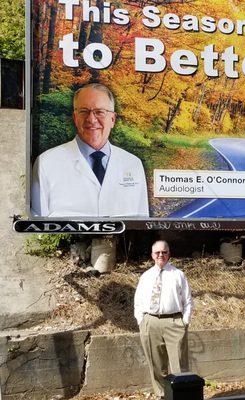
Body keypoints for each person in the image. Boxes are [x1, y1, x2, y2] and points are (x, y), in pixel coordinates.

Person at [31, 83, 149, 217]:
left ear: (112, 119)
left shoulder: (133, 164)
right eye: (84, 111)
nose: (91, 119)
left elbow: (142, 221)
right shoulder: (46, 163)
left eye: (99, 112)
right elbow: (36, 226)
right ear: (75, 118)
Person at [134, 240, 193, 398]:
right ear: (152, 255)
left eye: (164, 252)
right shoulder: (146, 276)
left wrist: (184, 322)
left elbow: (187, 301)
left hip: (174, 322)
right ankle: (161, 395)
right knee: (156, 365)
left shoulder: (178, 275)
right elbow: (138, 301)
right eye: (157, 252)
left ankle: (179, 395)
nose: (161, 255)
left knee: (179, 364)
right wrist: (141, 320)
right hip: (150, 322)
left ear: (169, 254)